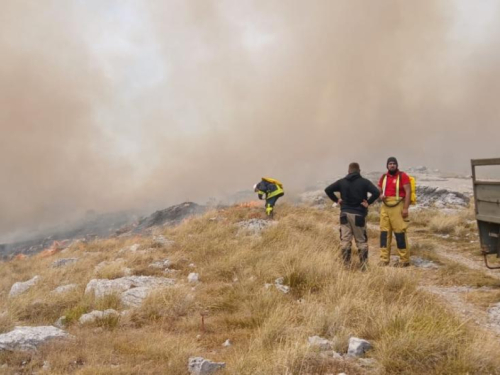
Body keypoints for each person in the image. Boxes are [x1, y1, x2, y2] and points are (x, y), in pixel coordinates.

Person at [324, 163, 380, 269]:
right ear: (359, 170)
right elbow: (376, 192)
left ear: (348, 170)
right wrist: (368, 202)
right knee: (361, 242)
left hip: (344, 214)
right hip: (358, 215)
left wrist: (337, 200)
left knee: (345, 241)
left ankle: (346, 266)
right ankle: (364, 267)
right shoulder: (364, 182)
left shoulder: (342, 182)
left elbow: (327, 190)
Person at [378, 157, 411, 267]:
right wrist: (380, 195)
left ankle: (404, 260)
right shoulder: (383, 177)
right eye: (390, 164)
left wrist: (405, 208)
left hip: (398, 206)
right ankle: (384, 259)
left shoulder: (403, 176)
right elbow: (379, 189)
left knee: (399, 233)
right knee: (384, 233)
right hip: (385, 206)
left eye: (394, 164)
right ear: (387, 165)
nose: (392, 165)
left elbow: (408, 192)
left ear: (397, 165)